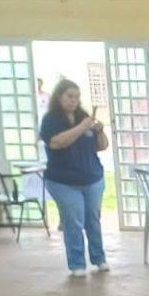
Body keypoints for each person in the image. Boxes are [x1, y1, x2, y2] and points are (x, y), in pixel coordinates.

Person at [39, 79, 110, 276]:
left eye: (77, 97)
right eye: (69, 96)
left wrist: (99, 131)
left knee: (93, 220)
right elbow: (56, 143)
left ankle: (99, 258)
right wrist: (81, 128)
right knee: (74, 221)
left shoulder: (84, 116)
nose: (74, 101)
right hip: (64, 181)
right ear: (59, 97)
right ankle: (77, 264)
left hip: (92, 177)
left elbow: (101, 146)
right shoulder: (51, 120)